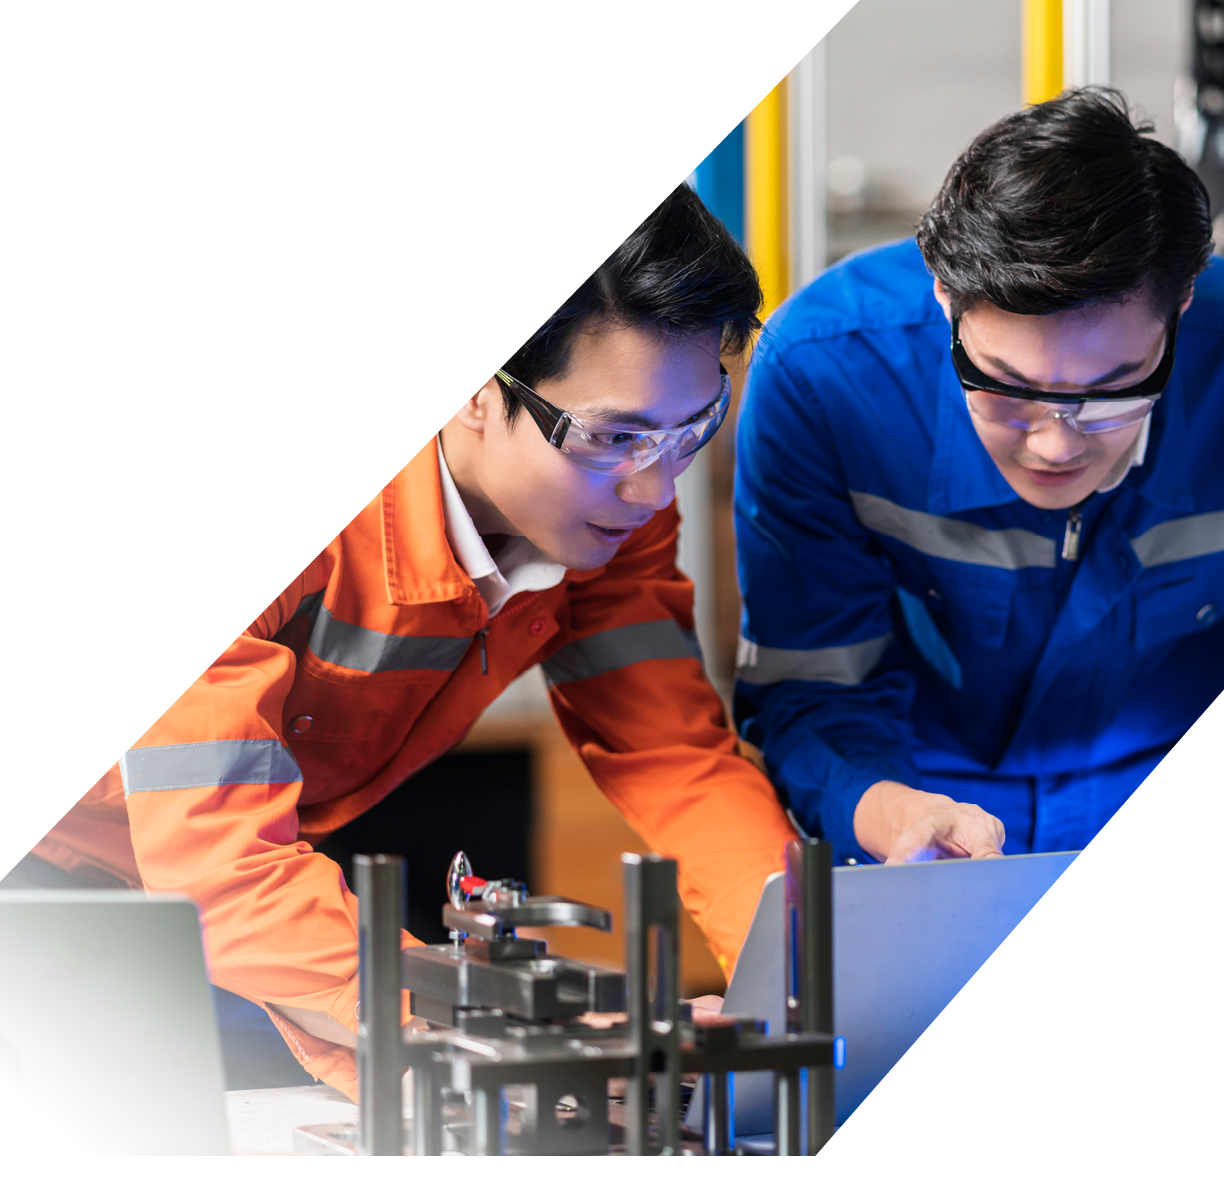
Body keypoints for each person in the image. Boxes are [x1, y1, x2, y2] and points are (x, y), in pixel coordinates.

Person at [3, 184, 797, 1097]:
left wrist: (796, 990)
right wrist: (516, 1029)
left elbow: (673, 757)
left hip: (236, 894)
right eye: (614, 436)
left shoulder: (604, 521)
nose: (654, 492)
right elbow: (224, 861)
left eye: (691, 428)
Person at [734, 88, 1222, 867]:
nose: (1056, 445)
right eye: (1007, 385)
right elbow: (819, 683)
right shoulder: (825, 373)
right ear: (945, 298)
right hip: (930, 802)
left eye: (1115, 388)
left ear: (1184, 307)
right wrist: (888, 811)